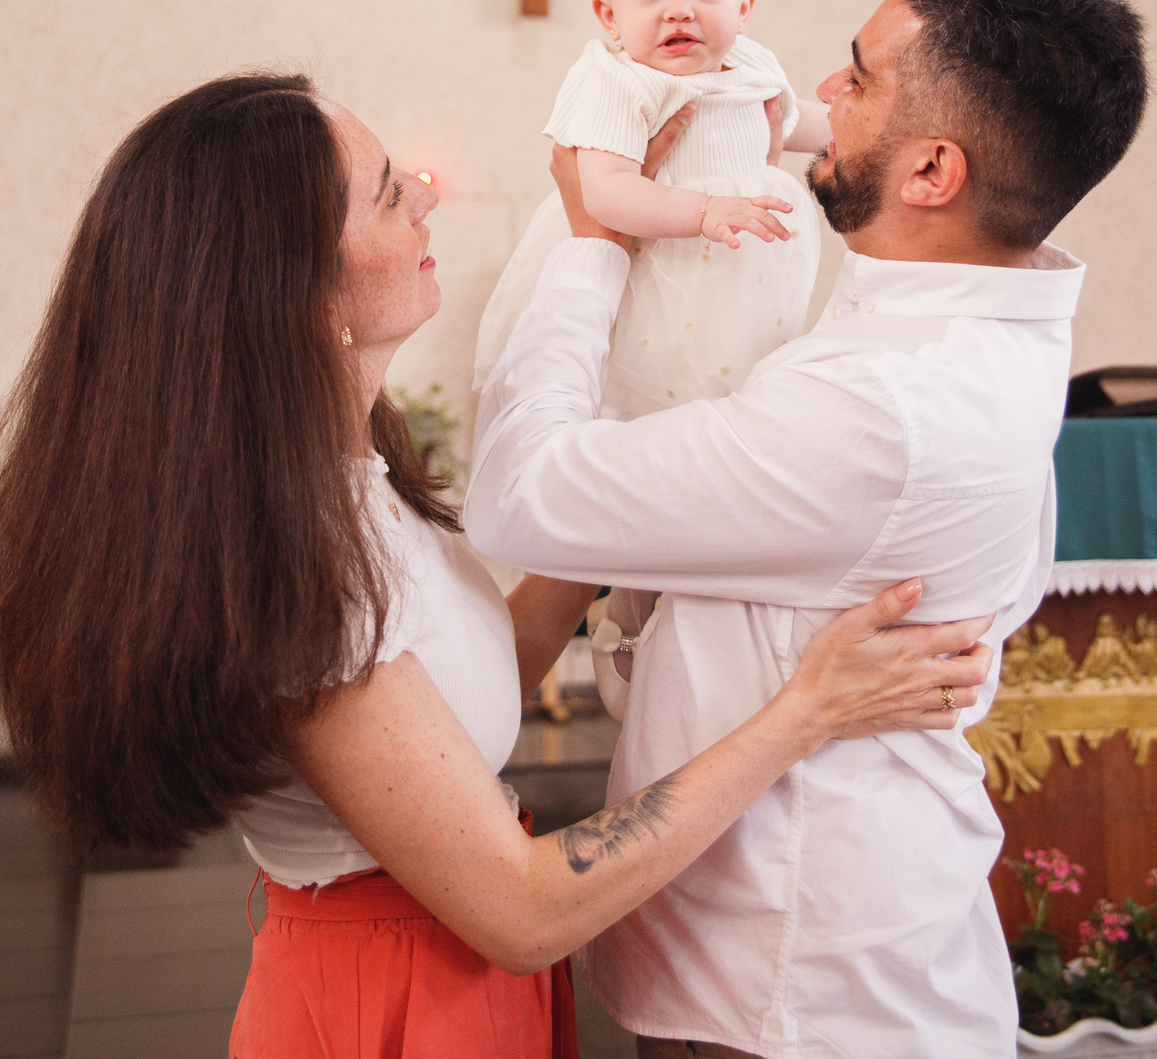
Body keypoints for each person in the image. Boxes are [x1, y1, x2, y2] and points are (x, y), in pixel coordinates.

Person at [0, 72, 993, 1059]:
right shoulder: (304, 572)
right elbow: (523, 911)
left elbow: (459, 689)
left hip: (444, 972)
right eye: (391, 192)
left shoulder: (342, 477)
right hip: (391, 1001)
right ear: (297, 286)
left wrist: (633, 492)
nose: (427, 195)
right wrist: (809, 711)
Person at [465, 0, 1148, 1059]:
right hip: (834, 935)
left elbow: (521, 497)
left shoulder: (882, 405)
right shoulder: (982, 297)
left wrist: (593, 243)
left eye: (860, 77)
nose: (823, 90)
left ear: (934, 173)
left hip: (796, 985)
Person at [473, 0, 831, 713]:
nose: (679, 9)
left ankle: (688, 648)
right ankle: (626, 638)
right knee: (643, 457)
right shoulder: (612, 79)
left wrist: (872, 132)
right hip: (656, 288)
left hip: (738, 293)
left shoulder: (752, 64)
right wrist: (704, 211)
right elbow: (605, 195)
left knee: (720, 466)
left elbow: (804, 127)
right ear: (607, 14)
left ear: (745, 3)